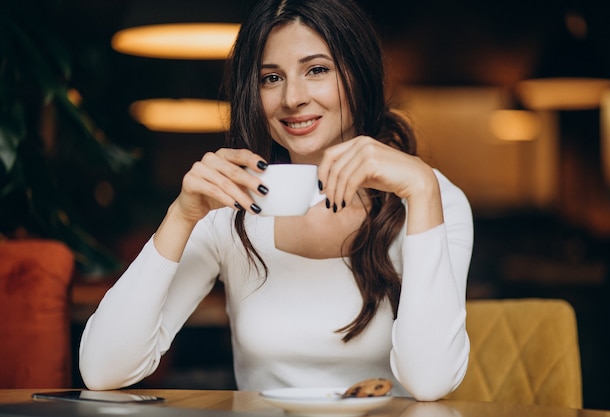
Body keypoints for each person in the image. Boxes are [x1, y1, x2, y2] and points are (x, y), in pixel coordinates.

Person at [79, 0, 473, 401]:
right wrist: (182, 216)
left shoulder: (435, 199)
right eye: (271, 78)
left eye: (317, 70)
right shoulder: (233, 201)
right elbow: (103, 369)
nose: (292, 98)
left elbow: (431, 382)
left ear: (360, 74)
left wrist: (422, 189)